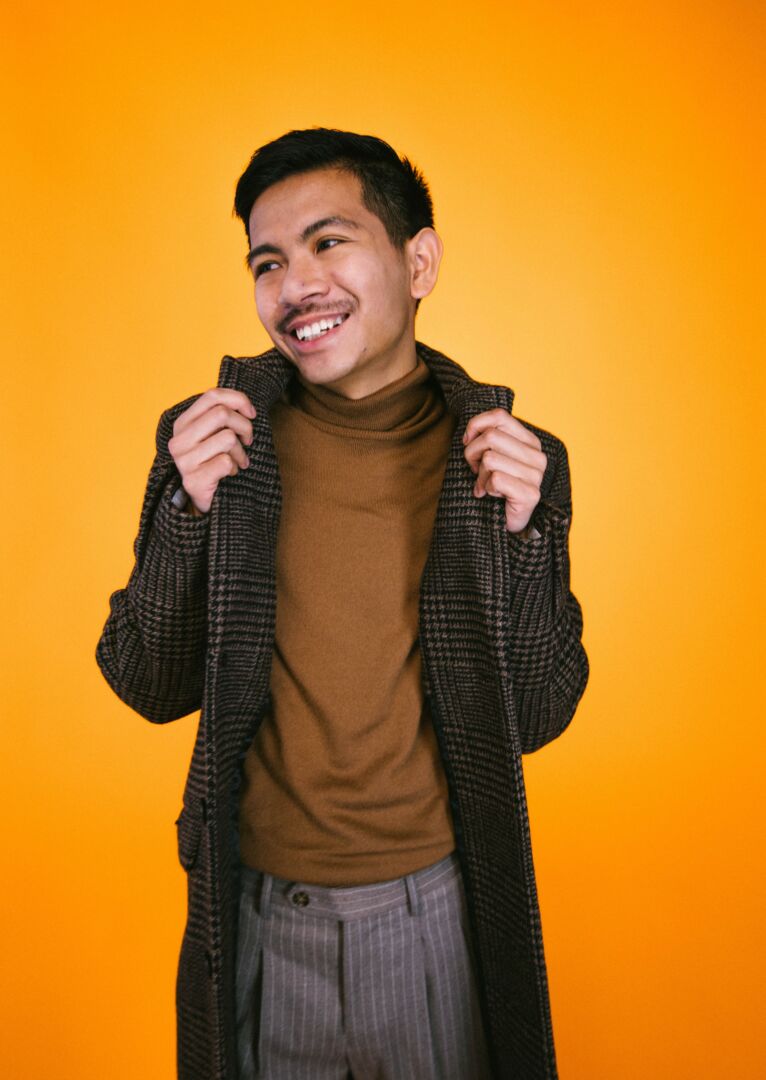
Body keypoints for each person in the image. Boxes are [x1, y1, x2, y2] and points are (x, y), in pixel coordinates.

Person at [96, 127, 588, 1080]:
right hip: (257, 920)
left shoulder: (509, 457)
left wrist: (527, 536)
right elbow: (145, 682)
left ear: (418, 262)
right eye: (268, 262)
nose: (296, 285)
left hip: (435, 917)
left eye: (329, 242)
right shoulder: (215, 439)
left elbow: (537, 714)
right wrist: (186, 511)